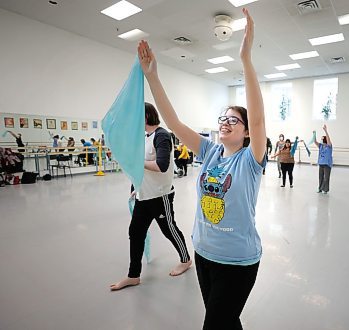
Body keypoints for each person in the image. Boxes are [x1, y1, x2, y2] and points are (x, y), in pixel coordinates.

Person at [137, 8, 266, 329]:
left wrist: (246, 59)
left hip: (238, 260)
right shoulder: (208, 151)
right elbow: (174, 122)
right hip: (204, 254)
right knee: (225, 321)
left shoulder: (251, 159)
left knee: (215, 323)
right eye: (222, 118)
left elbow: (260, 118)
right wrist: (152, 75)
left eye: (233, 120)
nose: (225, 122)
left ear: (246, 132)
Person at [110, 103, 192, 291]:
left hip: (160, 195)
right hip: (143, 195)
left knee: (169, 229)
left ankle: (186, 260)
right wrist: (135, 186)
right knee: (135, 233)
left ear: (146, 116)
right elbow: (139, 169)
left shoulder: (162, 135)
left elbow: (161, 165)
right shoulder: (143, 137)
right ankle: (133, 275)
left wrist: (137, 161)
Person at [313, 124, 333, 194]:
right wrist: (314, 134)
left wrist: (325, 131)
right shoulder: (320, 146)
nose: (321, 140)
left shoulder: (329, 146)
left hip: (327, 164)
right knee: (320, 177)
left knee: (326, 178)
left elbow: (328, 139)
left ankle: (325, 189)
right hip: (321, 163)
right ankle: (320, 189)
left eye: (322, 139)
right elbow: (315, 141)